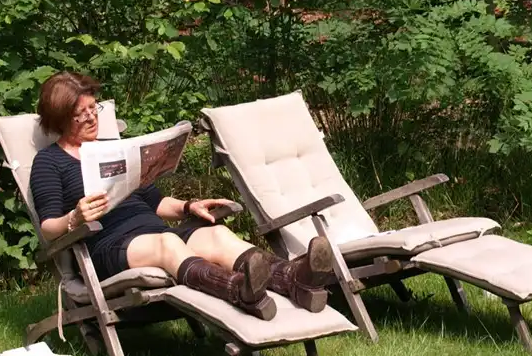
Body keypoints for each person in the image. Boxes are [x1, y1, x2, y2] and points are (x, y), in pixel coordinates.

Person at [29, 71, 335, 320]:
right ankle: (238, 290)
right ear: (59, 119)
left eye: (93, 108)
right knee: (169, 243)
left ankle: (296, 278)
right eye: (81, 114)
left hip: (156, 232)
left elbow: (156, 202)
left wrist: (190, 206)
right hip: (109, 247)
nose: (92, 118)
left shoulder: (113, 148)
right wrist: (75, 217)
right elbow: (48, 227)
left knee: (216, 234)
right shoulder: (49, 162)